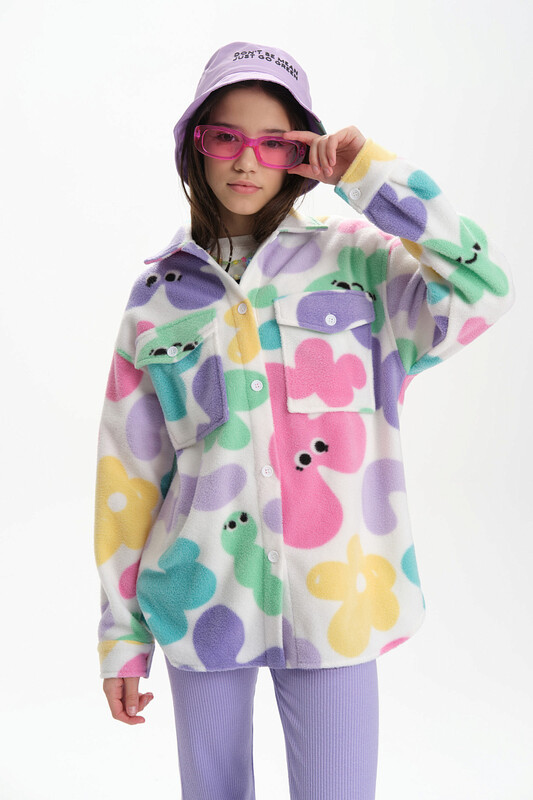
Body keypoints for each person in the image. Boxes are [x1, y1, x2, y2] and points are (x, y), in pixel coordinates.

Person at [94, 41, 514, 800]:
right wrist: (122, 636)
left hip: (339, 599)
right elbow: (128, 474)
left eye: (273, 141)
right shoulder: (156, 298)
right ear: (195, 143)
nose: (246, 159)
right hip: (197, 597)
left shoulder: (362, 263)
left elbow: (483, 285)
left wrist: (369, 175)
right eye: (225, 136)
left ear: (300, 151)